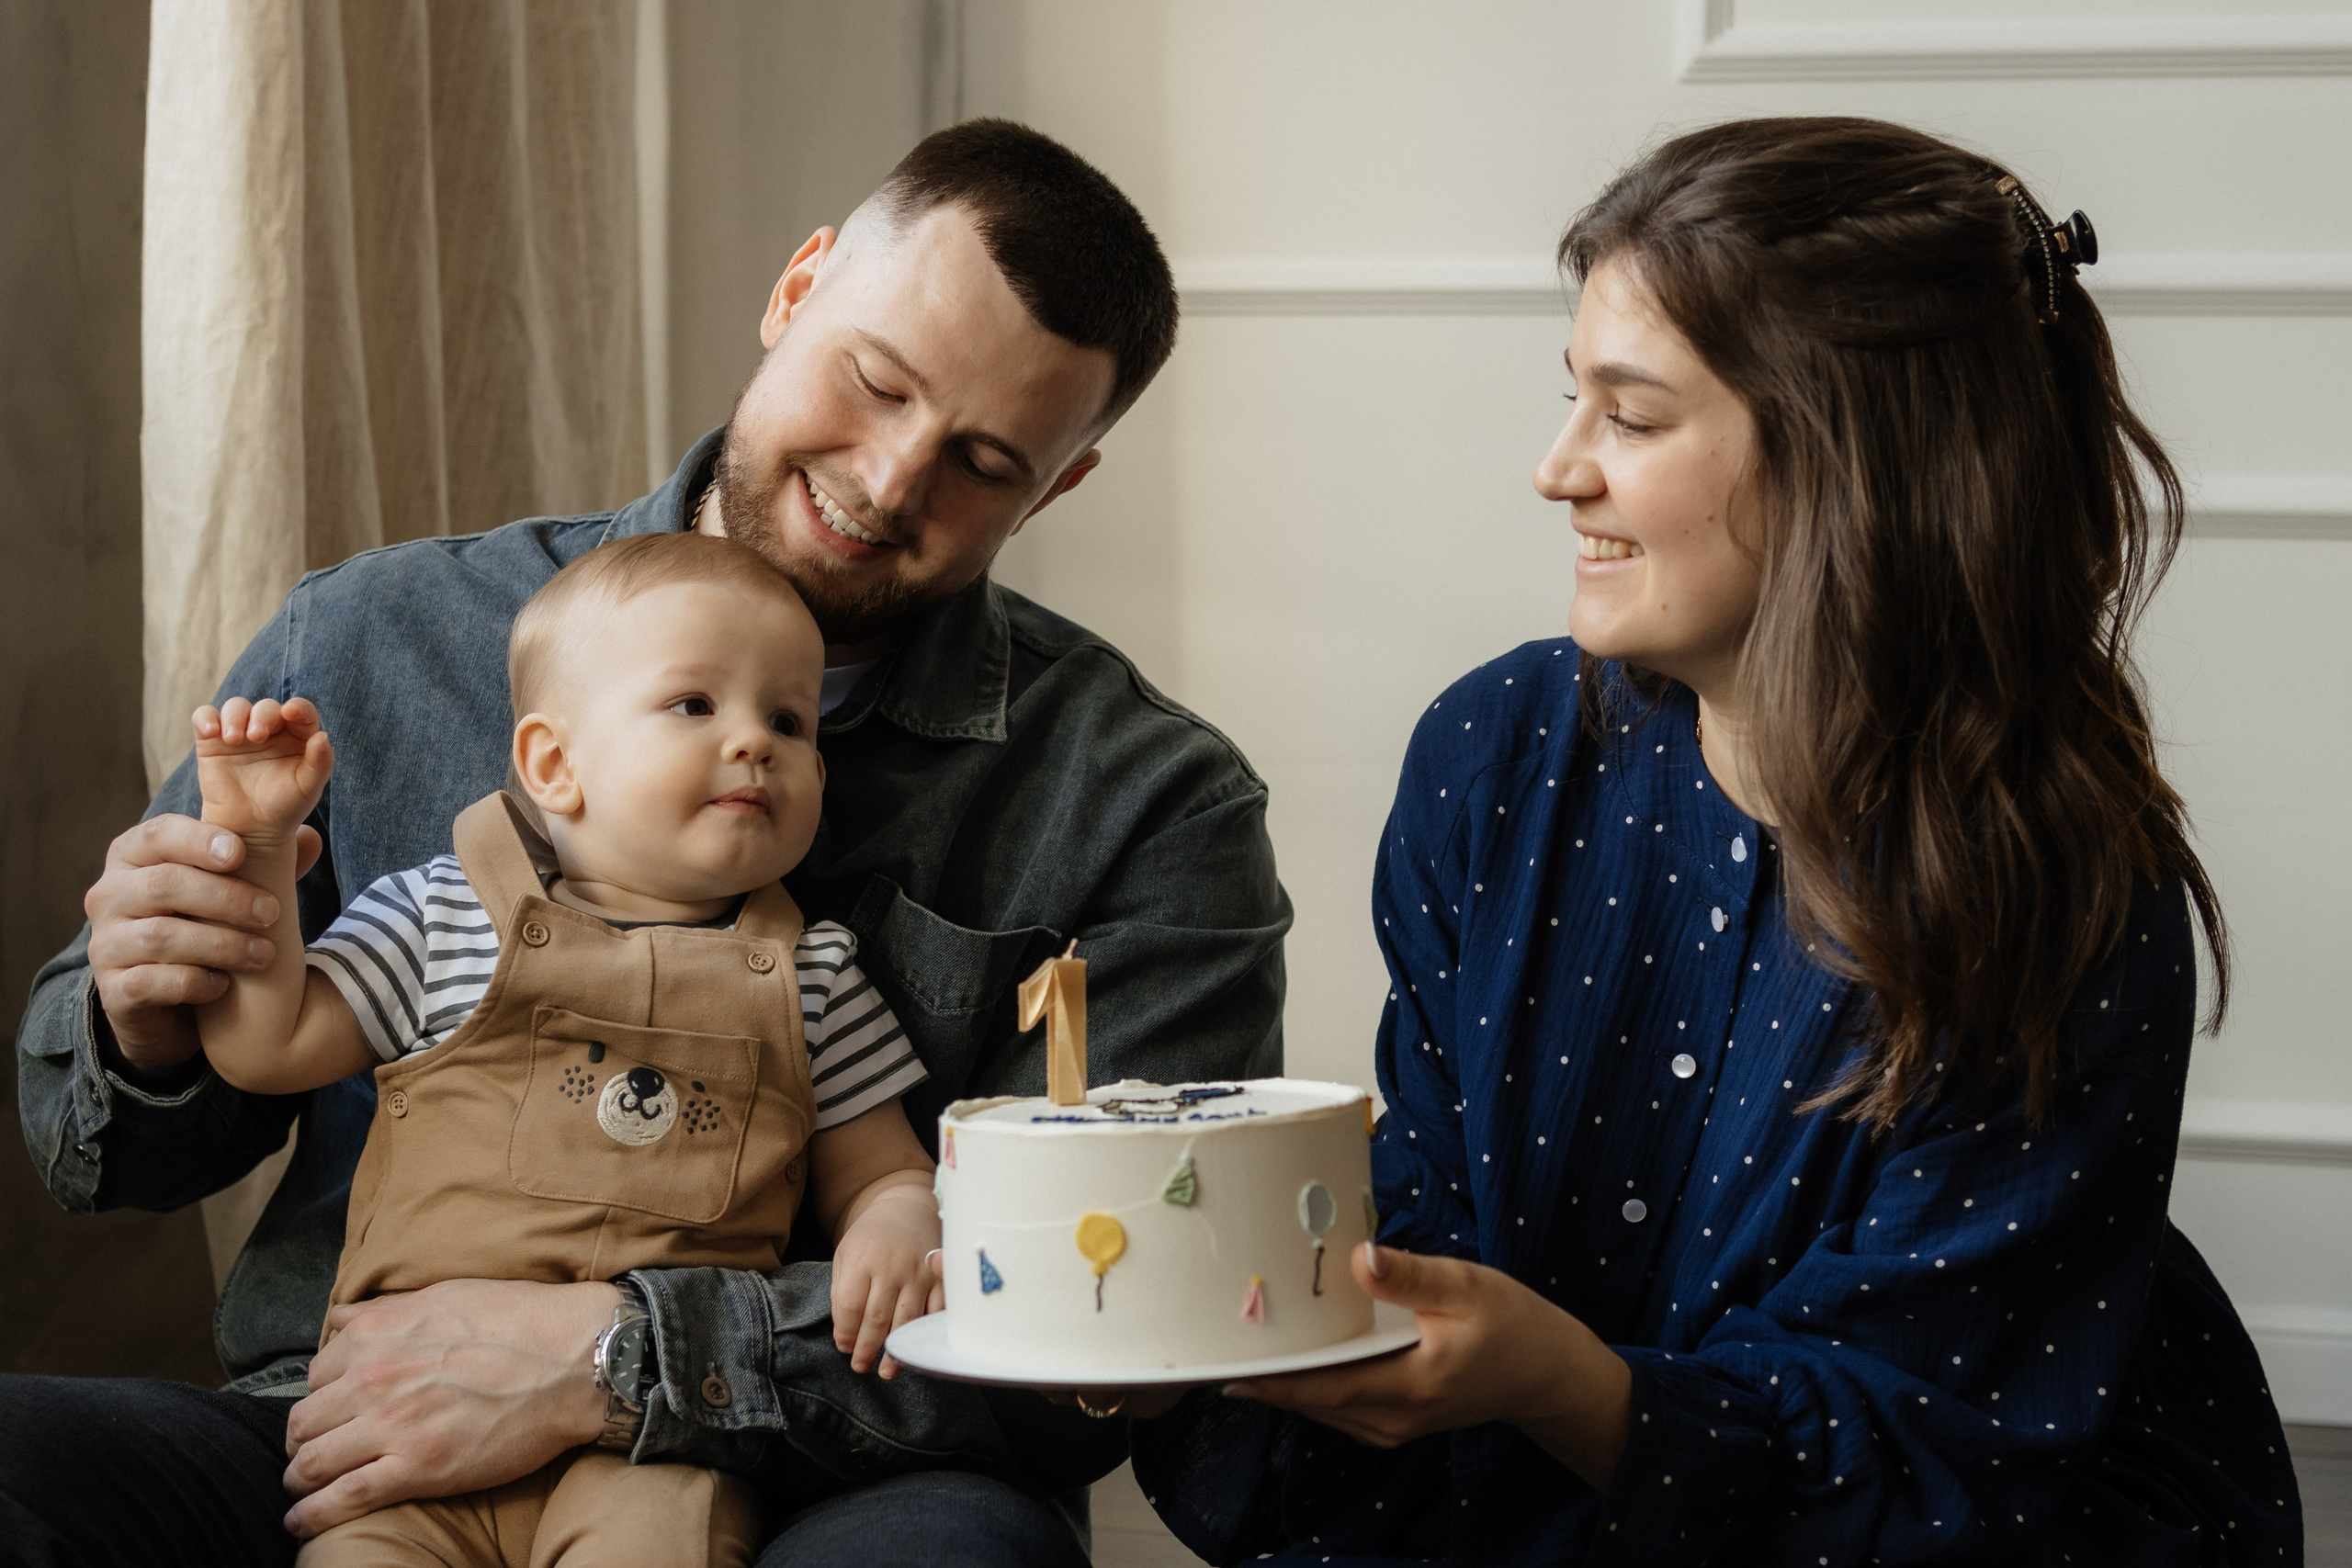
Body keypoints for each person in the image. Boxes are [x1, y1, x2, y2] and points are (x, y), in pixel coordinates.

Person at [9, 119, 1290, 1567]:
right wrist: (157, 1002)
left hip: (838, 1472)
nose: (887, 479)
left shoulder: (1149, 803)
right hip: (351, 1425)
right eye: (873, 381)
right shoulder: (373, 639)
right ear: (797, 286)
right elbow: (92, 1145)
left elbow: (1103, 1328)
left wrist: (617, 1354)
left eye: (985, 461)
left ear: (1058, 487)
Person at [1131, 117, 2301, 1564]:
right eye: (1573, 400)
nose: (1558, 469)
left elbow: (1935, 1442)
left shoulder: (2052, 882)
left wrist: (1568, 1377)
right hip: (1526, 1484)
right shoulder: (1489, 757)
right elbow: (1428, 1201)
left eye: (1629, 416)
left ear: (1848, 458)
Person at [192, 532, 944, 1565]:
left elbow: (882, 1170)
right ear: (555, 763)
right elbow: (263, 1044)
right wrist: (262, 849)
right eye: (695, 705)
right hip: (399, 1434)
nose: (754, 743)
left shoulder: (812, 974)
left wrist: (895, 1226)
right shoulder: (441, 917)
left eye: (788, 719)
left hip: (655, 1443)